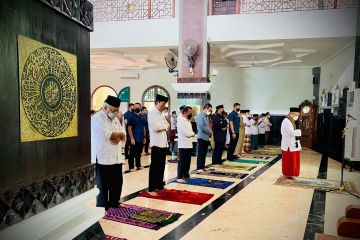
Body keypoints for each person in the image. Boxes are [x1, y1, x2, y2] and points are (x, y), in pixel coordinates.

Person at [91, 95, 125, 210]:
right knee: (103, 185)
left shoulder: (115, 119)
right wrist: (116, 135)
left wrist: (118, 136)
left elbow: (122, 134)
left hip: (116, 157)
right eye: (113, 110)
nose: (115, 113)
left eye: (117, 110)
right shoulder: (97, 118)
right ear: (106, 107)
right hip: (103, 157)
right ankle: (102, 207)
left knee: (117, 183)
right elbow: (108, 134)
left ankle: (114, 203)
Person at [147, 94, 169, 196]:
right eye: (163, 104)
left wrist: (164, 127)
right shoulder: (152, 113)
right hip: (156, 143)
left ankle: (159, 185)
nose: (164, 106)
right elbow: (156, 127)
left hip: (163, 143)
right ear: (157, 103)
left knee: (161, 165)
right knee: (155, 166)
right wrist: (164, 127)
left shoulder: (161, 113)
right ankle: (151, 188)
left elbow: (167, 125)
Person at [281, 107, 302, 179]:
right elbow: (291, 132)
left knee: (293, 160)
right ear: (293, 113)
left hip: (292, 143)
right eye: (297, 115)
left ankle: (291, 174)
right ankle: (288, 174)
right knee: (289, 161)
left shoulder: (290, 120)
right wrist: (299, 131)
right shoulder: (287, 121)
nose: (297, 117)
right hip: (288, 145)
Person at [177, 106, 196, 182]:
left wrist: (192, 134)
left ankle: (186, 175)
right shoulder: (181, 120)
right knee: (182, 161)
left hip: (188, 143)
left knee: (187, 161)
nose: (191, 114)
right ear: (185, 112)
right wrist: (192, 134)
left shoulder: (187, 120)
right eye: (189, 113)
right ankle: (179, 177)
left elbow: (191, 132)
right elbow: (186, 133)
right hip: (183, 144)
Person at [127, 103, 146, 172]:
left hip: (141, 138)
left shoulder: (142, 116)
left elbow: (143, 127)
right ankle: (131, 167)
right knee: (132, 153)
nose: (138, 108)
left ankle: (138, 165)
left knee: (139, 153)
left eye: (139, 107)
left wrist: (144, 137)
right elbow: (129, 128)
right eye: (137, 107)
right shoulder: (131, 116)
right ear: (134, 108)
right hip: (134, 138)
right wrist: (131, 138)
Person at [196, 103, 212, 173]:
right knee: (201, 153)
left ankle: (202, 166)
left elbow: (207, 126)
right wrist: (209, 131)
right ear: (205, 109)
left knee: (204, 153)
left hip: (206, 137)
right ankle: (199, 167)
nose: (210, 111)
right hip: (201, 137)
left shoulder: (206, 116)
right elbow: (202, 126)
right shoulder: (200, 116)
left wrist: (209, 131)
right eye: (209, 110)